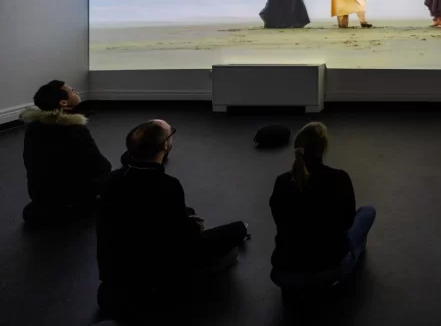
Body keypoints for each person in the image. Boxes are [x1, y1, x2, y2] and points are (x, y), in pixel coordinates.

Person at [96, 120, 248, 310]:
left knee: (189, 213)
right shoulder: (167, 185)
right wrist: (193, 226)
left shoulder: (114, 179)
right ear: (165, 145)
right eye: (171, 133)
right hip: (155, 272)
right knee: (236, 231)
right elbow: (181, 241)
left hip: (116, 272)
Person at [269, 122, 376, 289]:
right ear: (322, 150)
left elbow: (280, 220)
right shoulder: (339, 178)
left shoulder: (282, 182)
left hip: (283, 274)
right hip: (328, 272)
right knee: (367, 212)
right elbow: (348, 222)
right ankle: (352, 256)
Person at [21, 80, 111, 226]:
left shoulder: (33, 128)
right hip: (70, 198)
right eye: (72, 91)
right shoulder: (75, 130)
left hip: (41, 196)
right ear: (63, 102)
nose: (76, 92)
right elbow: (101, 166)